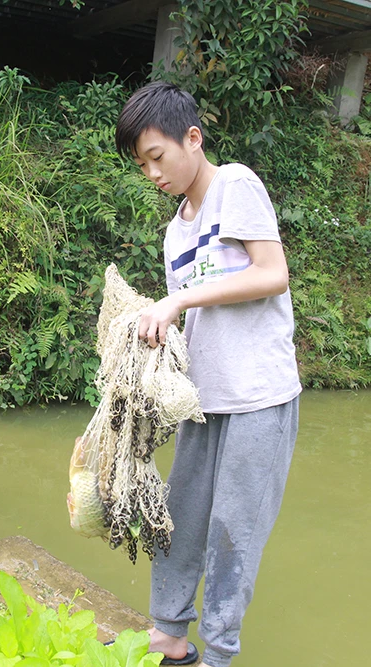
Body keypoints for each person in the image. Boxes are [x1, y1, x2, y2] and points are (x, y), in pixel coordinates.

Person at [114, 81, 301, 667]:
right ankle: (169, 638)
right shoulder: (176, 229)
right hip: (204, 397)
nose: (152, 174)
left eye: (157, 157)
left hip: (259, 397)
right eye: (142, 164)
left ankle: (219, 654)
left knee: (232, 531)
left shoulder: (235, 186)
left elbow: (273, 273)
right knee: (182, 515)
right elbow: (190, 319)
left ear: (192, 138)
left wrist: (177, 304)